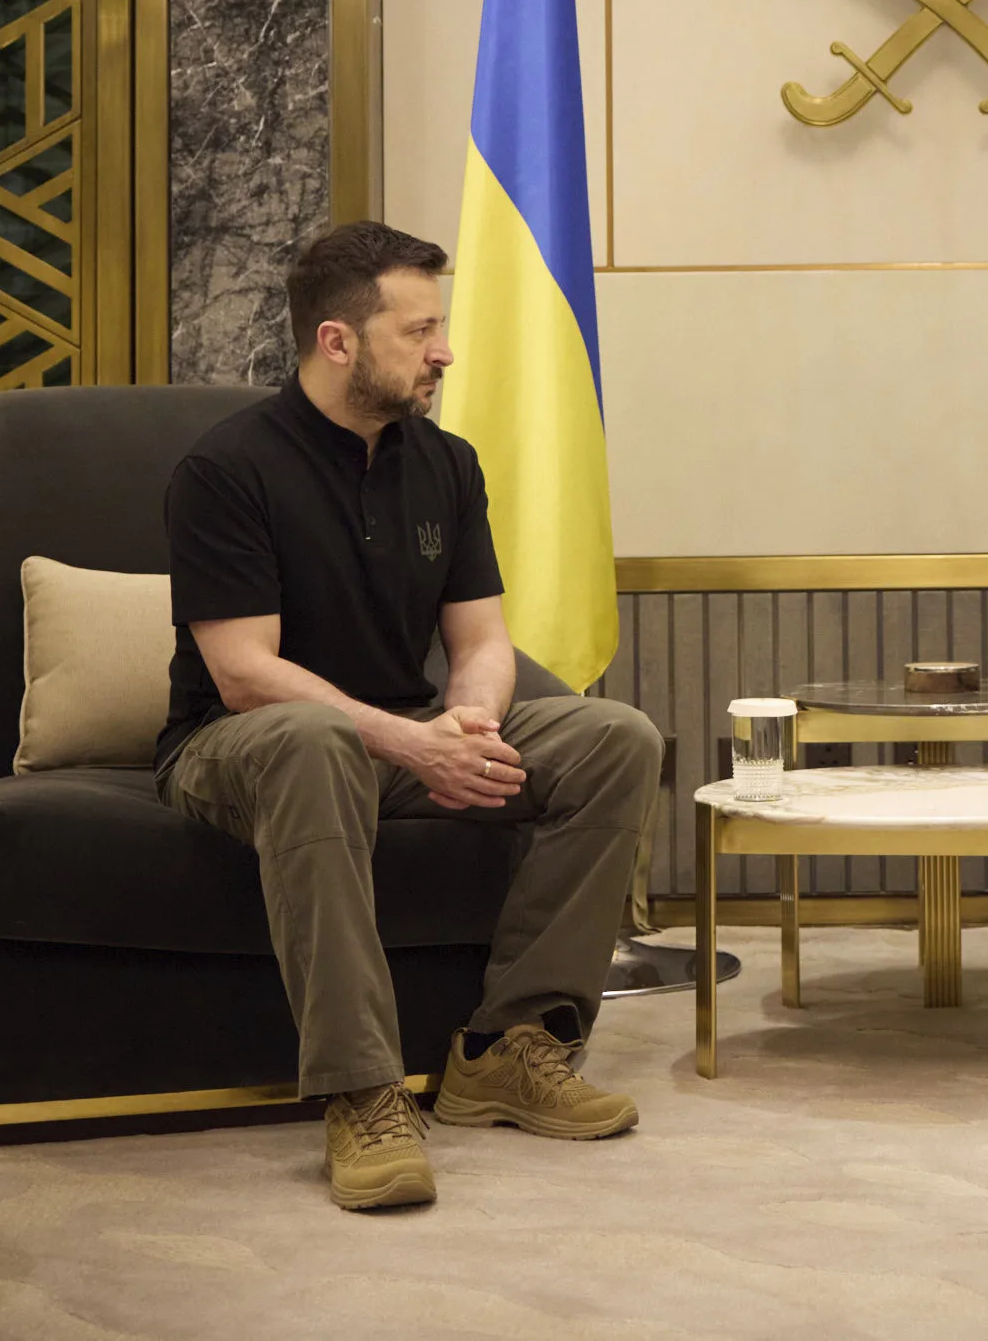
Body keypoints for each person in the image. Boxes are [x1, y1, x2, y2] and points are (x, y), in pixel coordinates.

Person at [155, 220, 662, 1210]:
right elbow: (246, 674)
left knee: (614, 739)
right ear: (339, 342)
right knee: (311, 740)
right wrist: (407, 741)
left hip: (401, 733)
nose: (443, 351)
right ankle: (361, 1090)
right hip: (239, 747)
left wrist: (468, 727)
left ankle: (510, 1048)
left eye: (441, 327)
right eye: (419, 329)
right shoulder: (227, 471)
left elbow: (479, 642)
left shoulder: (447, 463)